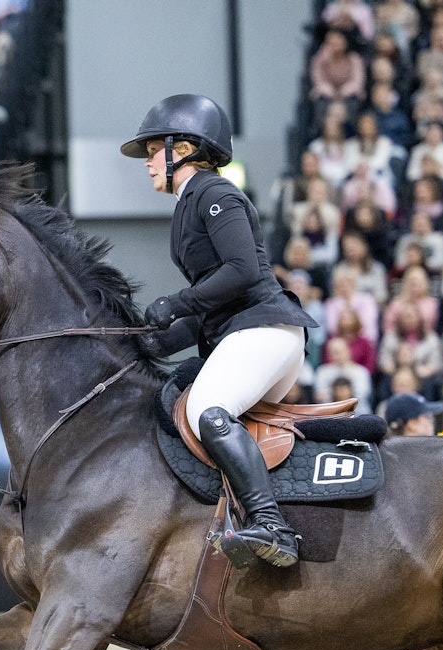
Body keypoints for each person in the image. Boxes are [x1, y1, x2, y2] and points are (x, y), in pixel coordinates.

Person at [122, 94, 317, 569]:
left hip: (266, 329)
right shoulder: (190, 202)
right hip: (248, 332)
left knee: (208, 409)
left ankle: (271, 525)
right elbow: (210, 309)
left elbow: (242, 271)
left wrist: (175, 302)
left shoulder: (215, 194)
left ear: (185, 148)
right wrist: (148, 342)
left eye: (154, 151)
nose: (147, 162)